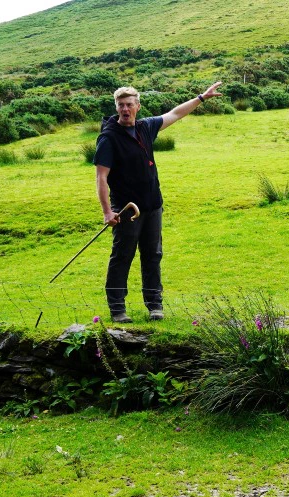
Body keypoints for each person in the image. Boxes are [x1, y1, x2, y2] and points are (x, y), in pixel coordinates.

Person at [94, 82, 222, 323]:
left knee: (153, 255)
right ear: (117, 107)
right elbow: (101, 176)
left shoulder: (145, 127)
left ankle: (155, 305)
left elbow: (174, 113)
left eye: (129, 104)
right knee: (122, 257)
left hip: (153, 205)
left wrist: (201, 98)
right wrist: (107, 211)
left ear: (137, 106)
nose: (125, 109)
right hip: (125, 210)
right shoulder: (108, 138)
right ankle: (118, 309)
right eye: (121, 105)